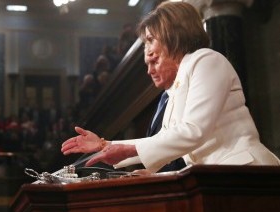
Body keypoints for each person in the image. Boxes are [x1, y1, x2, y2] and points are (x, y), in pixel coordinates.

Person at [61, 2, 280, 173]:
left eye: (153, 55)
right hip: (217, 178)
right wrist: (104, 144)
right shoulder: (172, 91)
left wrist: (122, 149)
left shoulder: (205, 60)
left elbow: (194, 131)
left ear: (173, 36)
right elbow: (163, 141)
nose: (149, 68)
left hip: (246, 171)